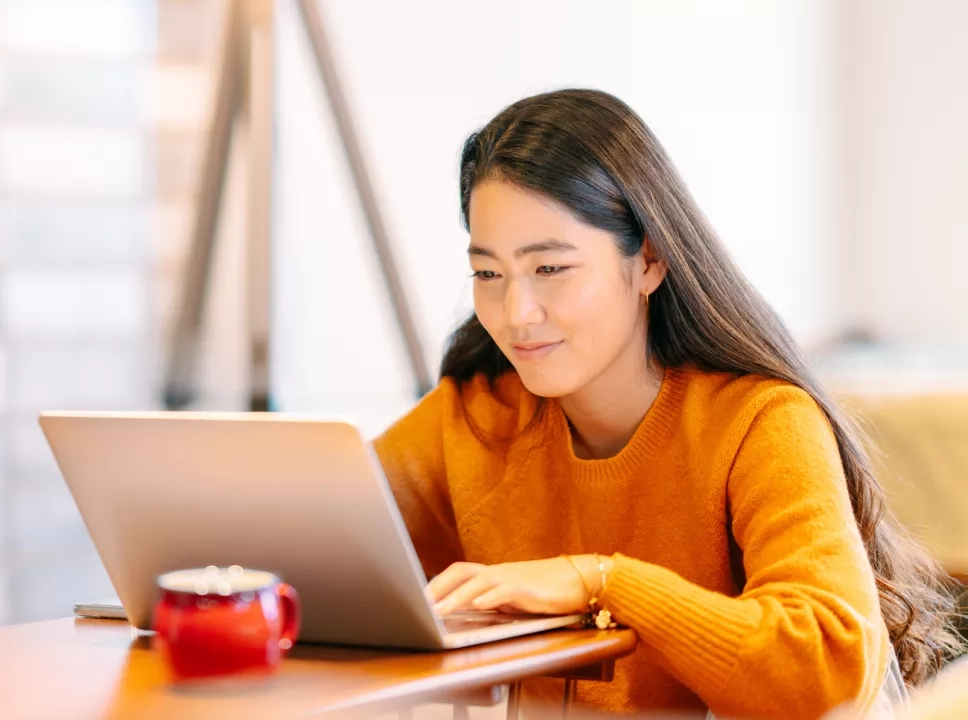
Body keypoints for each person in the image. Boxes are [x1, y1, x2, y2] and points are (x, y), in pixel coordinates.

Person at [372, 88, 962, 719]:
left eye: (550, 269)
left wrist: (603, 580)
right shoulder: (476, 415)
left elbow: (828, 669)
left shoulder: (760, 421)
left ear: (649, 258)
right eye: (489, 275)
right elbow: (320, 540)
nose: (516, 314)